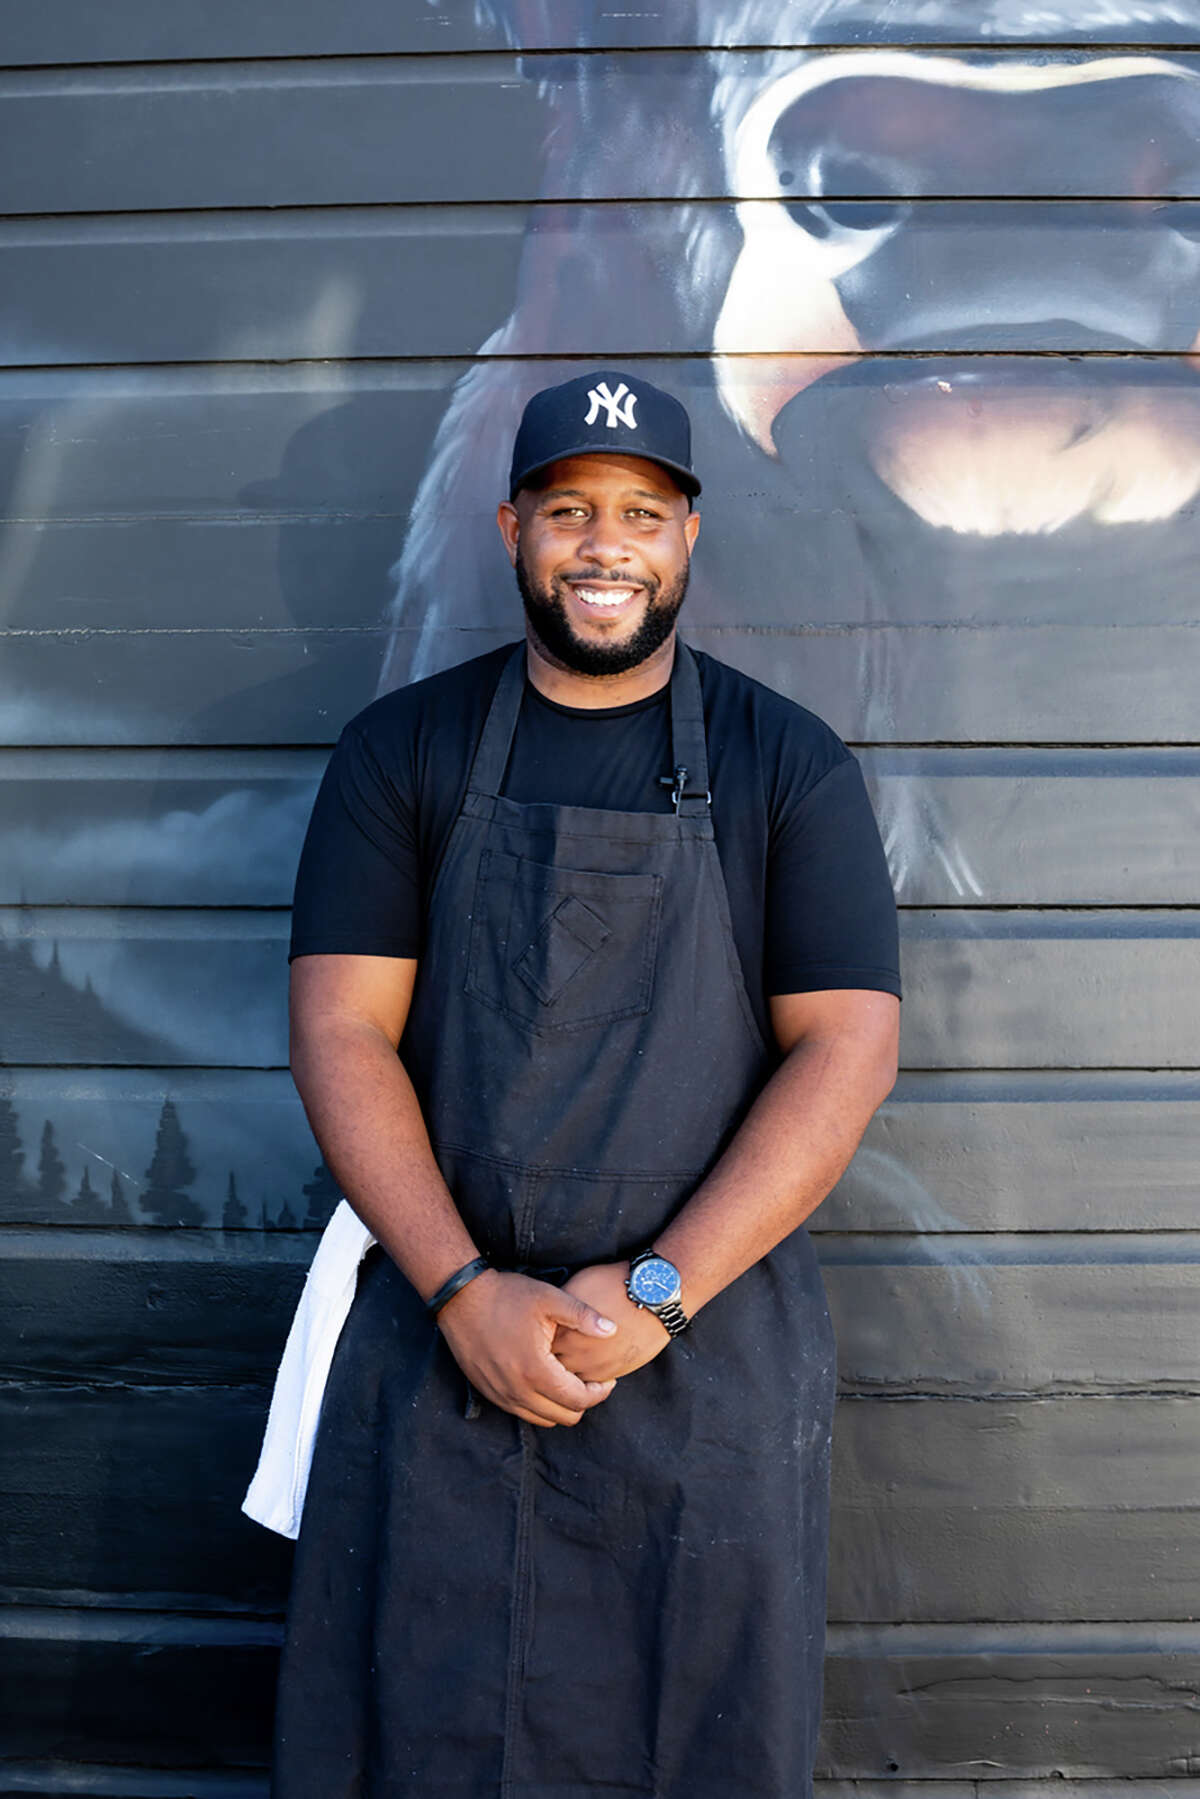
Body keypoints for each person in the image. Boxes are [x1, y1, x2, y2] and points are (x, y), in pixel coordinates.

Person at [269, 370, 901, 1798]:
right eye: (568, 511)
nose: (602, 543)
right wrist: (458, 1292)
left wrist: (661, 1290)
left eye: (639, 513)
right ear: (512, 529)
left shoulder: (786, 765)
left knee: (692, 1743)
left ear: (689, 538)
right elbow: (341, 1035)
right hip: (438, 1351)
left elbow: (848, 1045)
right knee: (412, 1740)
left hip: (703, 1357)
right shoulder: (404, 752)